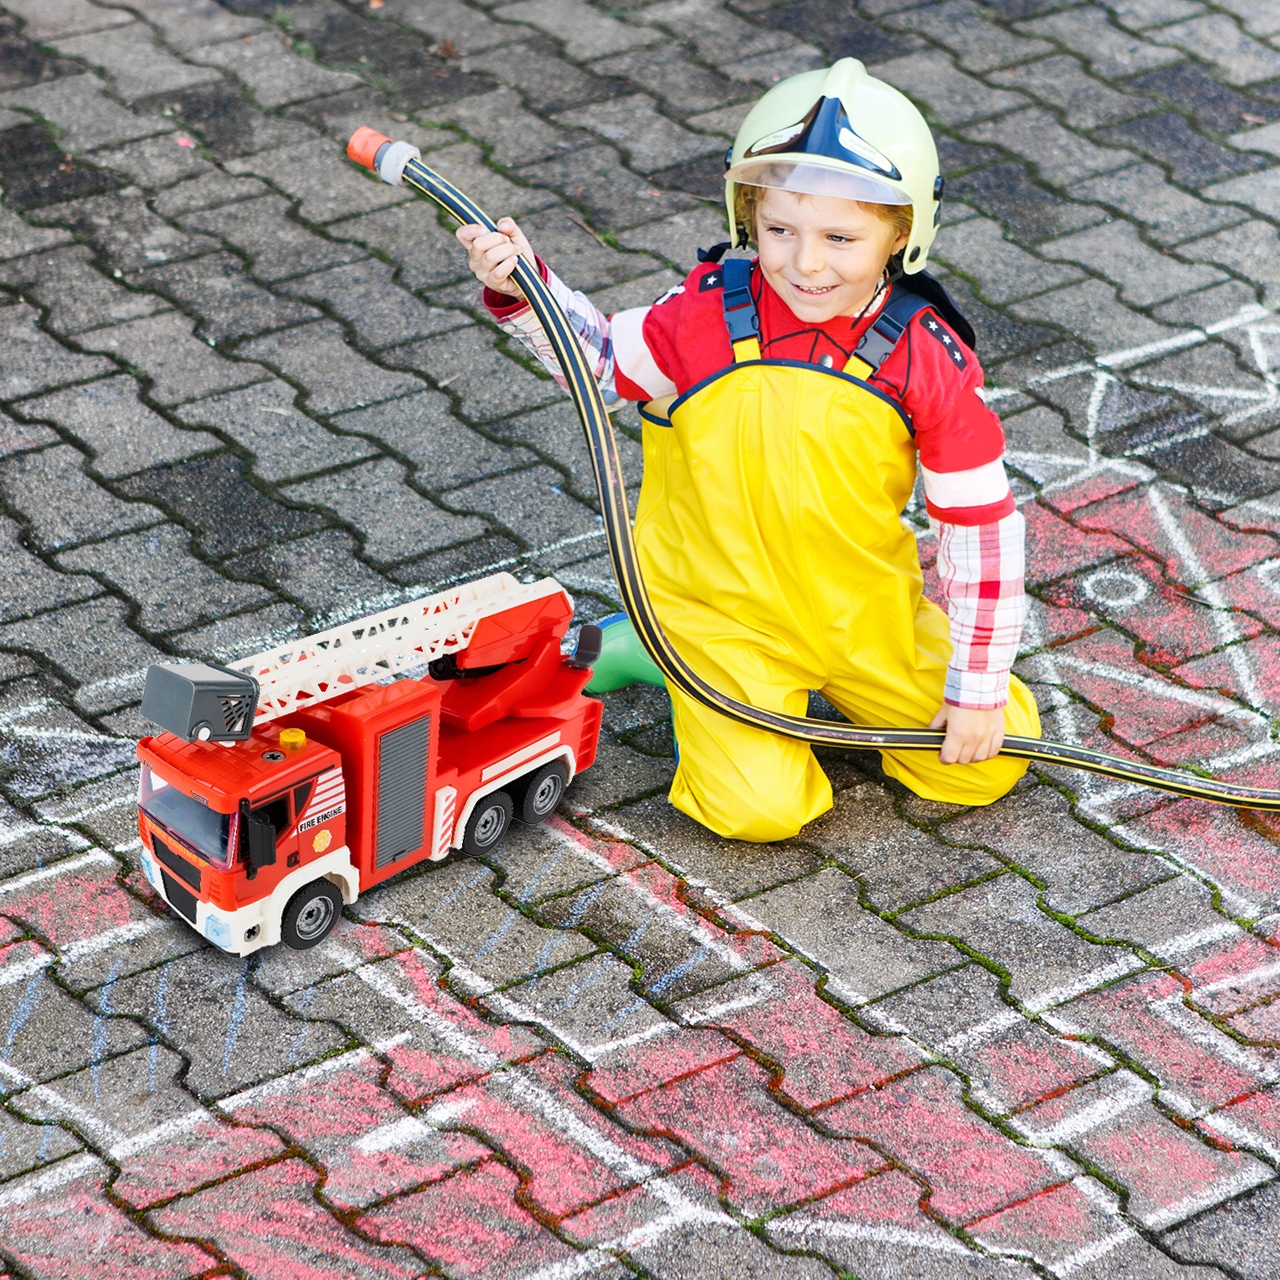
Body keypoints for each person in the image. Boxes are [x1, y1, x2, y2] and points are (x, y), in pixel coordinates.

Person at [456, 58, 1041, 842]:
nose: (805, 262)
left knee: (993, 758)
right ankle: (651, 649)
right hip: (721, 615)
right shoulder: (703, 314)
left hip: (859, 613)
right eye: (780, 230)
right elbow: (600, 360)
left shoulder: (926, 356)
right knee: (758, 812)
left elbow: (982, 532)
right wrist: (526, 290)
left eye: (841, 236)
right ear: (747, 214)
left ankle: (737, 679)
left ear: (902, 233)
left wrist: (977, 687)